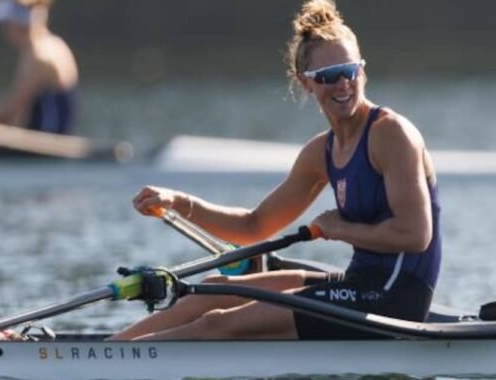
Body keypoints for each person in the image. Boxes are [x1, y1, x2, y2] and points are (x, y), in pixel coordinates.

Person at [112, 0, 441, 341]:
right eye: (328, 76)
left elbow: (415, 235)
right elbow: (253, 226)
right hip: (358, 284)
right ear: (305, 83)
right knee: (216, 289)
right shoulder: (321, 152)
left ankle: (107, 368)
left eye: (350, 70)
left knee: (217, 324)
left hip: (394, 300)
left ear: (363, 71)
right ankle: (107, 349)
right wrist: (178, 201)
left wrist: (341, 229)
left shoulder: (390, 133)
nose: (343, 84)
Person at [0, 0, 78, 158]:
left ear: (17, 24)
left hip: (44, 145)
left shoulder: (39, 56)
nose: (5, 31)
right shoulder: (53, 44)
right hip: (40, 138)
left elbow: (8, 111)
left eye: (6, 24)